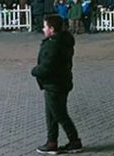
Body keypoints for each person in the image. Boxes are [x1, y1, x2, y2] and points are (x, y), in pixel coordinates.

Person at [32, 15, 83, 154]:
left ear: (52, 29)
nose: (43, 29)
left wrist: (35, 71)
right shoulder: (63, 41)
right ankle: (51, 142)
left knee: (60, 114)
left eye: (45, 26)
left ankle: (74, 141)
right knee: (51, 115)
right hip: (59, 82)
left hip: (54, 84)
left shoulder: (53, 44)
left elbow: (48, 66)